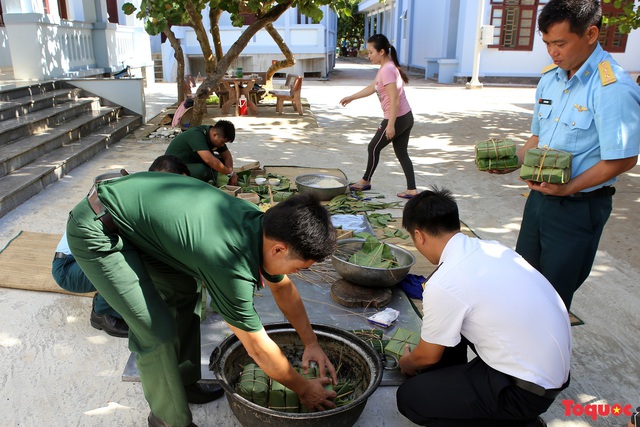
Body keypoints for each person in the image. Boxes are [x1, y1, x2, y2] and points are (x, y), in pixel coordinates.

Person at [66, 173, 339, 427]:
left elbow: (283, 288)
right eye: (300, 268)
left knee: (185, 290)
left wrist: (311, 342)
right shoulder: (228, 264)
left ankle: (182, 382)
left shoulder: (263, 225)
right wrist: (304, 388)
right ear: (279, 249)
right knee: (156, 332)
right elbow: (257, 347)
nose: (297, 274)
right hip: (98, 229)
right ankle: (167, 420)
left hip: (133, 222)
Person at [484, 0, 640, 310]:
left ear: (591, 33)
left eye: (560, 43)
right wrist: (513, 161)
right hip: (540, 200)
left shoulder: (612, 87)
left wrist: (568, 187)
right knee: (525, 280)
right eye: (546, 43)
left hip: (578, 207)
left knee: (553, 297)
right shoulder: (550, 79)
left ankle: (549, 354)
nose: (552, 52)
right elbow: (538, 137)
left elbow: (623, 158)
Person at [396, 188, 571, 427]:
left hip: (525, 392)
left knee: (410, 398)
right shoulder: (494, 248)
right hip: (550, 374)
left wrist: (406, 363)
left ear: (419, 235)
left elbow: (427, 356)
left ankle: (520, 423)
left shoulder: (444, 282)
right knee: (452, 330)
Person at [51, 155, 191, 339]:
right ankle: (102, 314)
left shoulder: (142, 190)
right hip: (68, 268)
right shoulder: (136, 200)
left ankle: (107, 300)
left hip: (82, 260)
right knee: (135, 259)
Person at [340, 33, 417, 199]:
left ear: (381, 51)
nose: (369, 56)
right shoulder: (386, 68)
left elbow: (394, 99)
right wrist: (351, 97)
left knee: (373, 147)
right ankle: (412, 189)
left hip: (397, 118)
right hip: (406, 117)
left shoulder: (388, 70)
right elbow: (372, 87)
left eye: (370, 52)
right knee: (402, 153)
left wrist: (390, 125)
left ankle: (365, 180)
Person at [165, 120, 238, 185]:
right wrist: (229, 174)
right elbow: (209, 160)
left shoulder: (214, 135)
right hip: (173, 167)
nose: (223, 145)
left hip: (191, 162)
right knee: (202, 170)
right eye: (222, 142)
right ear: (215, 134)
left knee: (221, 161)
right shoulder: (196, 134)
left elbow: (227, 156)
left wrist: (230, 171)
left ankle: (216, 178)